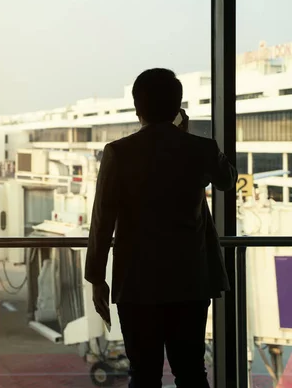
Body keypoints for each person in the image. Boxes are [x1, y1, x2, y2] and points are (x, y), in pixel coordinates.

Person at [84, 68, 237, 388]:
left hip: (137, 283)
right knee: (192, 372)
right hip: (190, 281)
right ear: (178, 107)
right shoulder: (200, 148)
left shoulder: (118, 153)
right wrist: (187, 132)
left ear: (137, 108)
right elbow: (227, 179)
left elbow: (102, 222)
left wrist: (97, 278)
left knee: (143, 374)